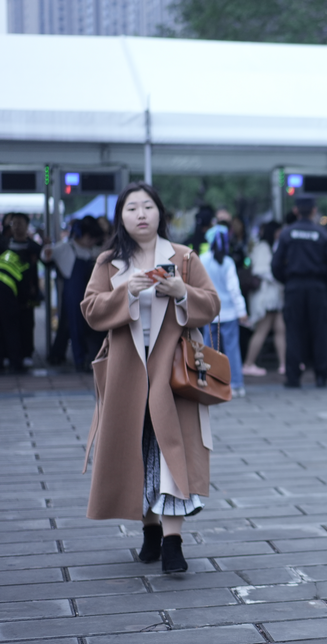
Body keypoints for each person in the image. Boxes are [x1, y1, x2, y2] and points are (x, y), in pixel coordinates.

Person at [81, 181, 220, 574]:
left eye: (147, 207)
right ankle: (150, 530)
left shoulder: (184, 256)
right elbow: (90, 310)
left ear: (160, 213)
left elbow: (211, 304)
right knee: (136, 451)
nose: (141, 214)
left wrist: (180, 291)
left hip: (172, 370)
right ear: (121, 217)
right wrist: (125, 292)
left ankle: (173, 541)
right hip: (126, 369)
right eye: (131, 208)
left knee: (170, 450)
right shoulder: (109, 261)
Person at [271, 196, 327, 388]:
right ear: (314, 211)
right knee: (320, 331)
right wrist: (321, 281)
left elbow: (276, 265)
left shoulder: (287, 234)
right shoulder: (322, 234)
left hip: (294, 287)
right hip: (317, 287)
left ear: (296, 211)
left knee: (293, 331)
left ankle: (293, 377)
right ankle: (321, 375)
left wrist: (289, 281)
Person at [42, 216, 106, 371]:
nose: (92, 242)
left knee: (74, 326)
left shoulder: (91, 251)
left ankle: (62, 355)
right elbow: (45, 255)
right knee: (75, 326)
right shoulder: (65, 248)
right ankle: (80, 360)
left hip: (86, 293)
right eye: (91, 238)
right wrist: (46, 249)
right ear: (84, 235)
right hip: (73, 294)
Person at [200, 225, 248, 398]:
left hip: (209, 312)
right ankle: (236, 384)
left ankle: (208, 383)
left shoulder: (202, 259)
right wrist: (242, 310)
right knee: (232, 349)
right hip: (229, 312)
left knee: (208, 349)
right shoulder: (227, 262)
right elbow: (234, 289)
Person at [0, 212, 42, 372]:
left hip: (28, 292)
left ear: (26, 226)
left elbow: (46, 259)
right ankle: (8, 356)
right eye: (14, 224)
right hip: (7, 295)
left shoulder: (33, 246)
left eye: (20, 223)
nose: (16, 227)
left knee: (28, 323)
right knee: (8, 325)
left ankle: (27, 354)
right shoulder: (4, 245)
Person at [243, 221, 286, 376]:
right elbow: (260, 270)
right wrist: (279, 277)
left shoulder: (272, 246)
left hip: (275, 297)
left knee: (281, 330)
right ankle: (248, 363)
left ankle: (283, 363)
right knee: (262, 330)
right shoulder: (263, 248)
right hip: (266, 297)